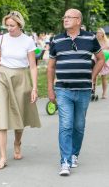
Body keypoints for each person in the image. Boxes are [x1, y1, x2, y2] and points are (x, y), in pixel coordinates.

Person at [47, 9, 105, 176]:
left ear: (78, 20)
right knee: (66, 125)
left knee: (79, 126)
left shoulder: (90, 38)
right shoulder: (56, 40)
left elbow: (101, 59)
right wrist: (50, 89)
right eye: (64, 17)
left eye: (69, 17)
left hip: (84, 90)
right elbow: (51, 67)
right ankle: (64, 161)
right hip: (63, 89)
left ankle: (74, 154)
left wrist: (93, 78)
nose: (65, 19)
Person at [0, 11, 41, 170]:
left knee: (19, 116)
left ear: (20, 25)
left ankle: (17, 142)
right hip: (2, 77)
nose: (9, 29)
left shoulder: (28, 41)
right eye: (7, 25)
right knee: (1, 117)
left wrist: (34, 88)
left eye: (12, 26)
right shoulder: (1, 39)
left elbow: (33, 66)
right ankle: (2, 157)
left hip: (21, 78)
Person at [96, 28, 109, 98]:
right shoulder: (95, 42)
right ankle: (93, 93)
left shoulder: (107, 42)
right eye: (97, 33)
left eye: (100, 33)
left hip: (105, 62)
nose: (98, 34)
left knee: (104, 78)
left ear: (103, 34)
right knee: (95, 77)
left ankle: (104, 93)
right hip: (97, 61)